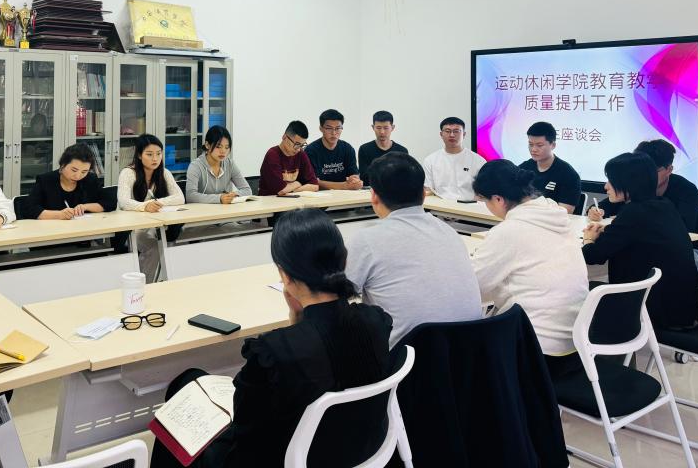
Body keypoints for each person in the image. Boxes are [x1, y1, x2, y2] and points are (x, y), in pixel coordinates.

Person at [150, 208, 394, 468]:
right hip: (355, 448)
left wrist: (296, 323)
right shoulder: (377, 321)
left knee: (176, 415)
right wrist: (298, 322)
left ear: (284, 275)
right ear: (343, 262)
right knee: (190, 379)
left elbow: (243, 428)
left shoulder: (274, 351)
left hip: (276, 458)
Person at [347, 153, 482, 348]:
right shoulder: (449, 232)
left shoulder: (367, 240)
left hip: (407, 361)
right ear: (423, 194)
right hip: (470, 355)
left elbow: (335, 298)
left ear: (374, 196)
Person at [471, 160, 588, 370]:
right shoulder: (555, 216)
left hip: (535, 350)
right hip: (575, 344)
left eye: (485, 201)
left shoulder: (510, 231)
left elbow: (473, 285)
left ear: (498, 199)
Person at [582, 153, 698, 330]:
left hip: (654, 312)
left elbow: (593, 256)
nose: (606, 186)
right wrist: (608, 233)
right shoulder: (663, 204)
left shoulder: (634, 213)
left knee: (581, 294)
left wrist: (588, 239)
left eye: (611, 181)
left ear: (629, 183)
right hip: (683, 309)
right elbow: (635, 236)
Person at [588, 139, 698, 277]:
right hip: (660, 258)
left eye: (652, 170)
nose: (646, 175)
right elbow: (607, 207)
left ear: (669, 169)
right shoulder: (645, 198)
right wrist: (602, 217)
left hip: (694, 251)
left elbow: (684, 228)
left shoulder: (684, 190)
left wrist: (593, 238)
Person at [22, 143, 106, 220]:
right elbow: (29, 209)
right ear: (63, 165)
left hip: (84, 228)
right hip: (52, 229)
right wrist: (59, 215)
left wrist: (85, 207)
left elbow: (108, 202)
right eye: (74, 170)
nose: (78, 176)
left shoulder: (90, 179)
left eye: (84, 172)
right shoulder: (46, 180)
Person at [517, 122, 582, 213]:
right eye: (531, 144)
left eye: (539, 145)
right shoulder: (523, 168)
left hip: (551, 221)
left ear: (553, 145)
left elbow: (565, 211)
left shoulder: (568, 174)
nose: (533, 149)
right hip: (524, 217)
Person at [117, 134, 185, 213]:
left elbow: (180, 198)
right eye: (149, 154)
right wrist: (145, 206)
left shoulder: (165, 172)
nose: (155, 159)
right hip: (130, 218)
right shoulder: (127, 173)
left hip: (156, 217)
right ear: (139, 155)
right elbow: (123, 202)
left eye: (158, 153)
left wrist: (154, 204)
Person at [422, 117, 486, 200]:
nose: (452, 135)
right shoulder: (430, 160)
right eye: (447, 131)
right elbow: (428, 190)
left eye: (456, 131)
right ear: (441, 134)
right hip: (441, 206)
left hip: (470, 205)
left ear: (464, 134)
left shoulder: (478, 161)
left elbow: (484, 191)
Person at [185, 126, 251, 204]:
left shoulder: (229, 164)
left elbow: (247, 190)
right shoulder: (196, 166)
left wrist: (232, 195)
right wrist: (219, 198)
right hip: (201, 210)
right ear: (207, 145)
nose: (223, 151)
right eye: (218, 146)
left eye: (227, 147)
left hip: (224, 209)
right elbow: (190, 196)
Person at [304, 109, 362, 191]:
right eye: (329, 128)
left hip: (343, 194)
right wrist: (344, 186)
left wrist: (355, 180)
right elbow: (313, 182)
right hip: (320, 195)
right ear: (321, 128)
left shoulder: (347, 148)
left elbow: (353, 174)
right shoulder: (311, 151)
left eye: (338, 128)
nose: (334, 133)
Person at [258, 121, 319, 196]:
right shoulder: (272, 155)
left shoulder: (300, 154)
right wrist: (298, 183)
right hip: (269, 200)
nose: (298, 149)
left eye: (302, 145)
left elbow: (315, 186)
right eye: (297, 144)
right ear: (284, 137)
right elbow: (281, 191)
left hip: (291, 200)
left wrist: (293, 190)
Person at [357, 111, 408, 185]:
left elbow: (405, 176)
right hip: (372, 189)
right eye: (378, 128)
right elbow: (364, 177)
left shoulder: (402, 151)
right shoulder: (364, 149)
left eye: (386, 128)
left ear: (392, 128)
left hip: (396, 189)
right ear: (373, 127)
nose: (382, 132)